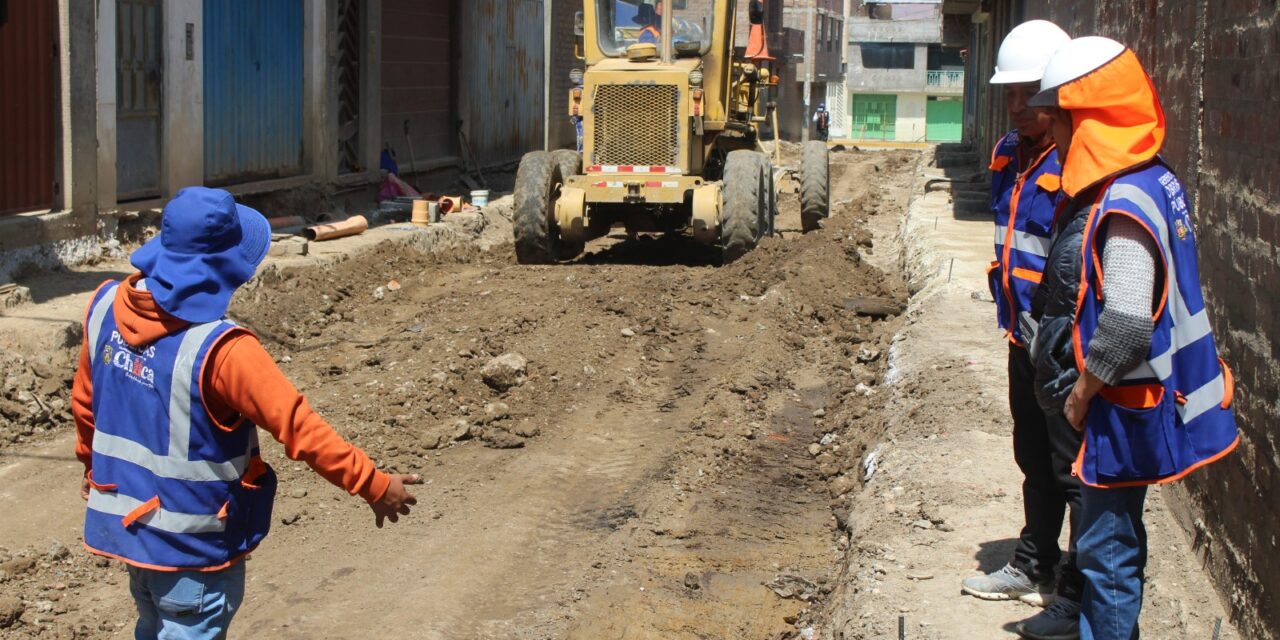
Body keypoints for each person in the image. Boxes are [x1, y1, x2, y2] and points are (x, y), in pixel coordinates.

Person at [73, 187, 422, 638]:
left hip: (132, 539)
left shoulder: (103, 307)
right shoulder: (224, 351)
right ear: (224, 267)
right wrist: (374, 485)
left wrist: (91, 468)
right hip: (192, 554)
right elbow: (300, 429)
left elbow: (86, 406)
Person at [1026, 37, 1239, 640]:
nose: (1055, 138)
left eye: (1060, 123)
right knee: (1116, 546)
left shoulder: (1122, 204)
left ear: (1088, 122)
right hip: (1145, 405)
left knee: (1107, 554)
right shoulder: (1157, 180)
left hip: (1126, 412)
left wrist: (1081, 394)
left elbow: (1124, 326)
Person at [961, 21, 1084, 640]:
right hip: (1023, 337)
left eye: (1027, 94)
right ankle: (1036, 563)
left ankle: (1076, 594)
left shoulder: (1080, 162)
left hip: (1065, 346)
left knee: (1075, 470)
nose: (1015, 107)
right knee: (1033, 457)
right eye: (1008, 94)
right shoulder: (1009, 153)